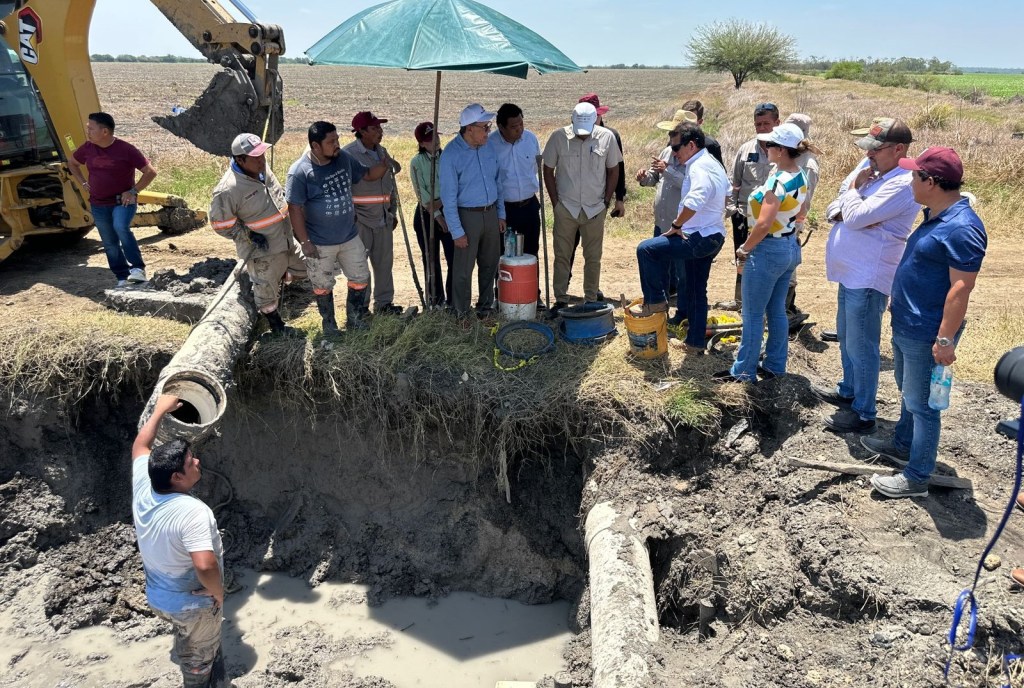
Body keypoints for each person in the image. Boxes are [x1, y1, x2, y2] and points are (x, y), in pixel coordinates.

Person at [866, 147, 987, 498]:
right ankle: (903, 444)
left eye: (914, 175)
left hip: (928, 332)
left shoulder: (963, 227)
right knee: (908, 392)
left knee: (923, 405)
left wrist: (945, 340)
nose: (909, 181)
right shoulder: (935, 215)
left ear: (930, 182)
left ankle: (917, 476)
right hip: (908, 324)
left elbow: (961, 289)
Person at [813, 119, 919, 434]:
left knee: (862, 344)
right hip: (852, 271)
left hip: (869, 275)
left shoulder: (902, 182)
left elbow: (855, 214)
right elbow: (837, 206)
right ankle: (850, 391)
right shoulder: (872, 169)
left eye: (877, 148)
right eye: (869, 147)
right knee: (847, 337)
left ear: (899, 149)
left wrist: (854, 199)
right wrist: (853, 201)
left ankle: (864, 412)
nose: (870, 154)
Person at [131, 395, 225, 688]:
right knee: (197, 657)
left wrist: (160, 410)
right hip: (192, 604)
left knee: (190, 632)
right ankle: (198, 680)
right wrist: (219, 594)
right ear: (176, 476)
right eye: (189, 462)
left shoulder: (146, 483)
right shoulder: (192, 513)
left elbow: (140, 446)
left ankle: (199, 647)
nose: (197, 461)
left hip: (158, 596)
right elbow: (205, 564)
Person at [717, 122, 812, 382]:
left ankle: (744, 370)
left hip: (768, 249)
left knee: (753, 314)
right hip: (788, 246)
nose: (765, 147)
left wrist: (745, 248)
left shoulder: (779, 181)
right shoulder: (798, 174)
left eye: (770, 144)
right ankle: (775, 364)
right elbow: (801, 212)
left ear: (781, 150)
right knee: (776, 311)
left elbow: (763, 223)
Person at [286, 121, 388, 335]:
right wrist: (305, 242)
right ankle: (329, 326)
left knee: (360, 277)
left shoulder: (343, 159)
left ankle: (355, 319)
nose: (337, 144)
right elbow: (294, 209)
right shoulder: (300, 172)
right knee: (323, 285)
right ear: (315, 146)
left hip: (350, 237)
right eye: (331, 141)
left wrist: (385, 165)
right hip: (319, 242)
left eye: (337, 139)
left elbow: (367, 175)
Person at [635, 123, 729, 352]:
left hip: (697, 237)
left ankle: (655, 301)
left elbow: (694, 201)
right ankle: (695, 342)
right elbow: (726, 194)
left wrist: (677, 225)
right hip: (713, 234)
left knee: (646, 249)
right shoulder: (712, 163)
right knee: (697, 289)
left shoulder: (699, 167)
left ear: (691, 145)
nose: (673, 152)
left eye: (677, 147)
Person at [210, 133, 306, 336]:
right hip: (262, 251)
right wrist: (247, 235)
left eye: (262, 154)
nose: (261, 160)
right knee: (265, 291)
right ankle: (276, 328)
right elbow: (220, 224)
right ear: (240, 159)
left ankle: (280, 276)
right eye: (256, 157)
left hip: (287, 240)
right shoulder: (228, 189)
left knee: (309, 268)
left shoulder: (263, 170)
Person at [542, 102, 622, 308]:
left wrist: (605, 201)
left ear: (596, 120)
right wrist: (556, 203)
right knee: (561, 255)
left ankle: (591, 299)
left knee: (593, 257)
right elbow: (548, 169)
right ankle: (560, 299)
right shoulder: (558, 137)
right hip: (566, 208)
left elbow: (614, 171)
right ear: (572, 120)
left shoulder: (607, 137)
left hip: (595, 209)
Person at [67, 112, 157, 287]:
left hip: (122, 202)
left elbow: (150, 172)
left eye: (91, 129)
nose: (88, 132)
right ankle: (122, 277)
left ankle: (137, 269)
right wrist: (83, 182)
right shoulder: (87, 148)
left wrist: (133, 191)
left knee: (120, 227)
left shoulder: (126, 149)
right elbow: (72, 163)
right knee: (109, 242)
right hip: (98, 203)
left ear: (105, 132)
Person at [439, 103, 506, 317]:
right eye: (485, 127)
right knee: (463, 270)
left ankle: (486, 307)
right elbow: (448, 198)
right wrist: (456, 231)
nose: (489, 131)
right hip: (466, 216)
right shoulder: (451, 154)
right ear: (469, 129)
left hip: (491, 213)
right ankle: (461, 312)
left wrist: (501, 213)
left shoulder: (489, 148)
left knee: (489, 264)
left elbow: (498, 183)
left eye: (489, 126)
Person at [721, 102, 780, 311]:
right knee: (743, 257)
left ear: (777, 123)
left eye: (766, 123)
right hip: (745, 215)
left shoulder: (785, 151)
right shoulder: (746, 150)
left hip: (775, 219)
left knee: (772, 260)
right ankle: (740, 302)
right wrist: (732, 209)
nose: (762, 128)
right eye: (758, 124)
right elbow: (734, 182)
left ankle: (777, 305)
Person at [343, 111, 403, 316]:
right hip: (360, 221)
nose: (380, 131)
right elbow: (343, 190)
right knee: (360, 266)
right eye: (374, 128)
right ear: (361, 131)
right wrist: (351, 218)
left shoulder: (382, 152)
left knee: (384, 263)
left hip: (383, 219)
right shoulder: (348, 155)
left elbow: (390, 186)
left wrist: (392, 212)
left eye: (380, 127)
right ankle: (361, 308)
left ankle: (384, 304)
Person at [637, 114, 694, 324]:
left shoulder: (695, 159)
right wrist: (645, 178)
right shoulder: (667, 151)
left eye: (674, 133)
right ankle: (659, 310)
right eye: (670, 134)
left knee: (683, 274)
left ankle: (683, 314)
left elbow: (689, 185)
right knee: (659, 269)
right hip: (662, 223)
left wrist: (667, 171)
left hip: (682, 226)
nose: (671, 138)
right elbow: (655, 177)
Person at [488, 103, 542, 260]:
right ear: (501, 127)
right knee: (504, 253)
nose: (519, 128)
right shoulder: (490, 145)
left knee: (531, 251)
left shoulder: (531, 139)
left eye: (521, 123)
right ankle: (502, 284)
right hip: (504, 210)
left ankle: (531, 285)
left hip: (529, 206)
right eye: (513, 126)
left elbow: (534, 169)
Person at [409, 121, 454, 306]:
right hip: (426, 215)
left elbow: (455, 186)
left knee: (454, 257)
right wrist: (437, 215)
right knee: (431, 258)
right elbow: (423, 195)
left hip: (449, 207)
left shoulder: (449, 157)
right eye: (430, 139)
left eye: (436, 136)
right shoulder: (416, 163)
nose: (435, 141)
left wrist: (443, 202)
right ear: (421, 143)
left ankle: (453, 299)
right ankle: (435, 300)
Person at [781, 113, 820, 319]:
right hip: (781, 220)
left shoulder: (808, 164)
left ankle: (785, 311)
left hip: (790, 222)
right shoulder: (790, 156)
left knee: (788, 271)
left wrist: (793, 223)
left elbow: (803, 201)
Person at [680, 99, 723, 166]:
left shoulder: (710, 145)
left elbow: (719, 172)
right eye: (684, 120)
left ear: (700, 122)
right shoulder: (675, 142)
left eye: (690, 121)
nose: (685, 124)